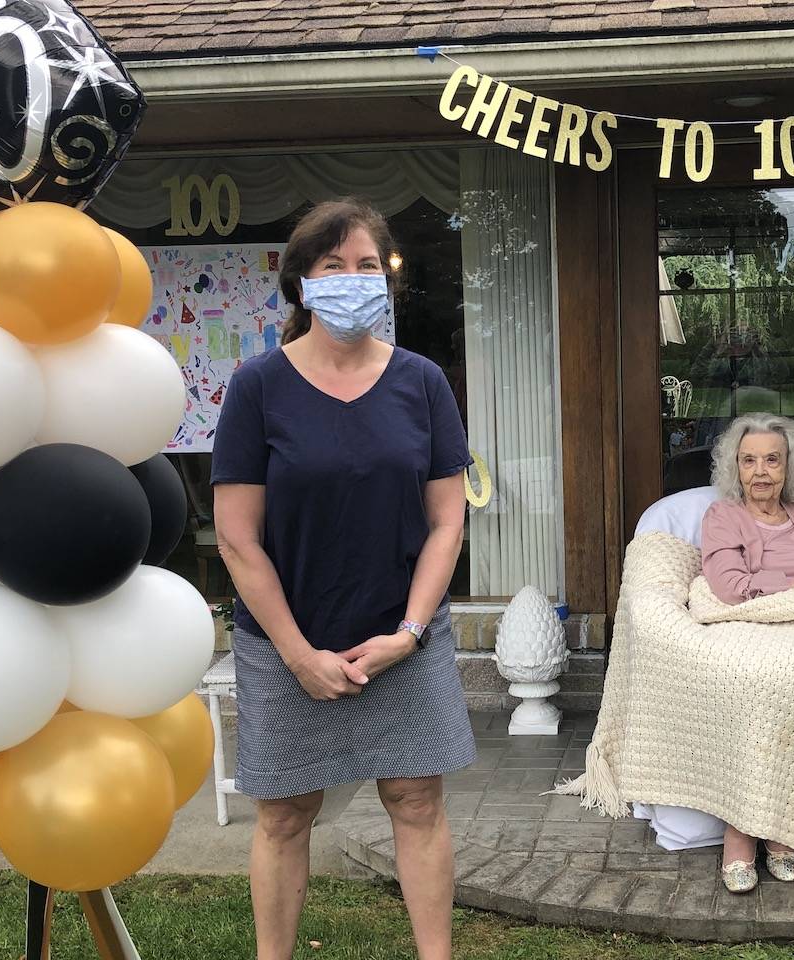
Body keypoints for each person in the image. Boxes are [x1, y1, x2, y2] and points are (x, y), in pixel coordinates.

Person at [211, 198, 475, 960]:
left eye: (368, 266)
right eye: (334, 267)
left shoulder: (421, 382)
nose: (354, 281)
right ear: (301, 285)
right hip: (286, 643)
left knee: (416, 801)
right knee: (287, 815)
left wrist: (410, 633)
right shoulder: (258, 386)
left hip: (404, 634)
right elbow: (236, 536)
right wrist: (296, 652)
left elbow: (447, 522)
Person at [699, 413, 794, 892]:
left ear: (789, 467)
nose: (760, 472)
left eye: (771, 460)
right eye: (749, 461)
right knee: (769, 683)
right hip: (751, 630)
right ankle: (741, 831)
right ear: (735, 468)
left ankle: (783, 828)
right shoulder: (723, 516)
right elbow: (728, 587)